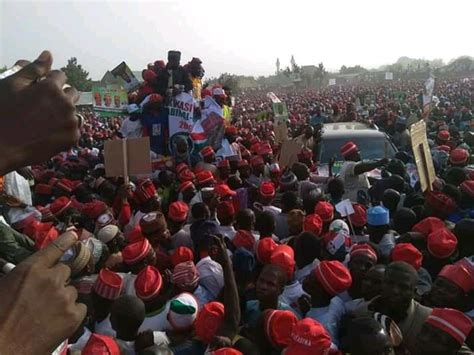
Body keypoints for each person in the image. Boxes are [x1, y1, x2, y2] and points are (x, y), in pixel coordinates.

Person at [352, 262, 432, 354]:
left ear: (414, 292)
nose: (395, 291)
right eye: (390, 283)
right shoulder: (361, 313)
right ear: (382, 283)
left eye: (403, 287)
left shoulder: (427, 320)